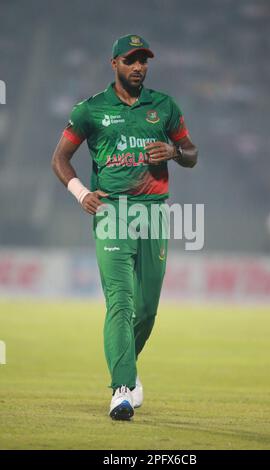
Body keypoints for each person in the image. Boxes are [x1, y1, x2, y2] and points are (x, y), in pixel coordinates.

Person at [51, 34, 198, 420]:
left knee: (147, 309)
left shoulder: (164, 106)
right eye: (130, 61)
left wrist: (174, 152)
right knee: (121, 300)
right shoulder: (91, 109)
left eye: (143, 61)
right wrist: (81, 192)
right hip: (112, 214)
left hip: (153, 213)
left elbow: (192, 154)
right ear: (113, 64)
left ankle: (127, 371)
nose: (138, 67)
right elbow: (60, 159)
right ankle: (121, 389)